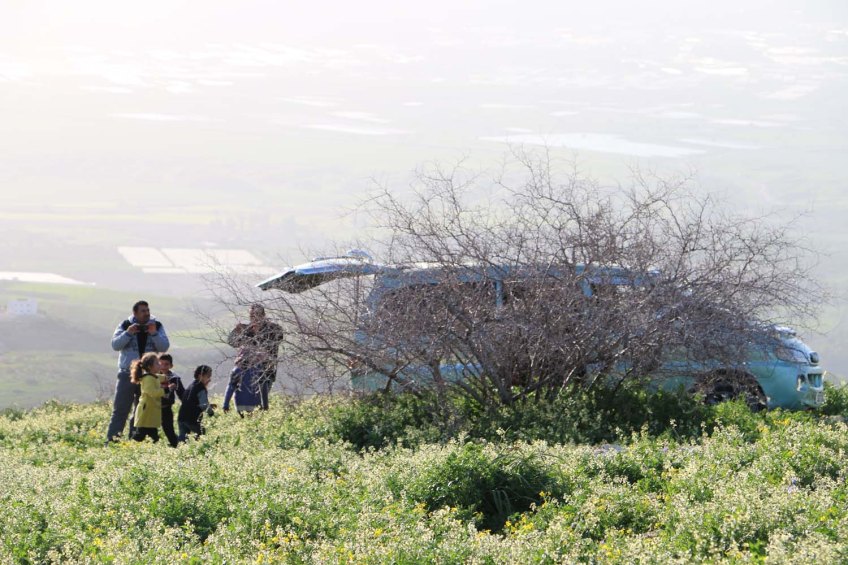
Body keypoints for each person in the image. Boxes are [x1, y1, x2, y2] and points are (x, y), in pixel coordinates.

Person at [105, 300, 170, 443]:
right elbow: (115, 345)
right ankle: (112, 442)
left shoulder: (156, 326)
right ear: (135, 313)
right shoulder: (125, 325)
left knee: (142, 410)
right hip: (127, 374)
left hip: (148, 377)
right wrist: (128, 334)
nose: (146, 313)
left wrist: (154, 334)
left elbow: (164, 346)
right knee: (121, 410)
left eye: (147, 310)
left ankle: (134, 441)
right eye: (143, 311)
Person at [227, 304, 284, 410]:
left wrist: (256, 335)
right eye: (251, 315)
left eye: (256, 314)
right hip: (247, 373)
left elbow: (276, 340)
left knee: (260, 402)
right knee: (248, 404)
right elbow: (232, 342)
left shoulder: (273, 329)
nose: (253, 317)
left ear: (263, 315)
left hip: (266, 372)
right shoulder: (247, 330)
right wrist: (237, 332)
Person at [130, 352, 174, 443]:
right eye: (157, 363)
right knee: (140, 435)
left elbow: (160, 378)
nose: (160, 365)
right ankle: (128, 448)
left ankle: (144, 448)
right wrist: (166, 390)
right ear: (150, 367)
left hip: (150, 412)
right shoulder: (148, 379)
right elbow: (152, 393)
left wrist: (167, 378)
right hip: (146, 412)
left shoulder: (153, 376)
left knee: (152, 434)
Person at [177, 365, 215, 442]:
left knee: (183, 440)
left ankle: (179, 450)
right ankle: (198, 449)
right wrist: (211, 413)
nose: (210, 379)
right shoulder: (200, 388)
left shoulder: (191, 385)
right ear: (200, 376)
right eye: (208, 376)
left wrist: (209, 405)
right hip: (192, 418)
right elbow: (203, 404)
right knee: (201, 432)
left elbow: (191, 401)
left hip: (182, 417)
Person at [158, 353, 185, 448]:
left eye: (166, 364)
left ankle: (176, 446)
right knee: (150, 429)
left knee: (169, 430)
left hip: (166, 408)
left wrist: (188, 404)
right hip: (153, 408)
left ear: (171, 365)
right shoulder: (153, 377)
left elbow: (182, 393)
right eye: (160, 364)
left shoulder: (174, 378)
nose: (163, 366)